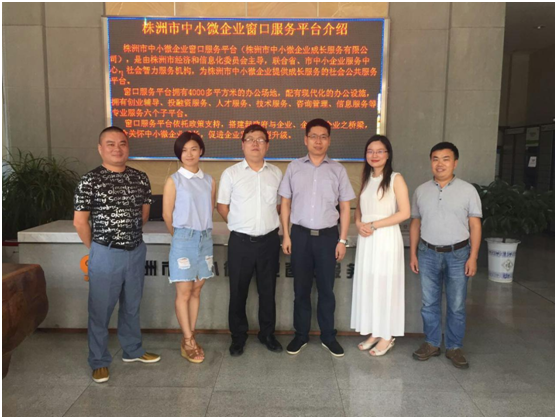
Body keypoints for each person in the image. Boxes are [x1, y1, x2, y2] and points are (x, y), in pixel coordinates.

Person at [73, 126, 160, 384]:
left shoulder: (140, 178)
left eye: (122, 143)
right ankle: (99, 361)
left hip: (136, 251)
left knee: (132, 305)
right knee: (100, 309)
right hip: (105, 253)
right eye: (110, 144)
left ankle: (132, 350)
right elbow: (80, 222)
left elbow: (144, 214)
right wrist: (97, 248)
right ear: (100, 149)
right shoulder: (90, 180)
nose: (117, 148)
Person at [279, 118, 356, 357]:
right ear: (306, 139)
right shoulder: (294, 167)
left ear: (329, 140)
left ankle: (328, 336)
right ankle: (300, 335)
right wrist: (286, 235)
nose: (318, 141)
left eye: (323, 136)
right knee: (301, 289)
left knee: (326, 290)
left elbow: (345, 207)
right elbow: (285, 203)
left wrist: (342, 240)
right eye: (313, 136)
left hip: (327, 238)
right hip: (300, 236)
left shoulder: (338, 170)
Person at [409, 142, 482, 369]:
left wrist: (473, 257)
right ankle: (432, 343)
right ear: (431, 162)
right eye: (435, 159)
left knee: (457, 304)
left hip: (458, 254)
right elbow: (415, 224)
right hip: (427, 253)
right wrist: (413, 254)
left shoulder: (468, 190)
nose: (440, 164)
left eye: (446, 159)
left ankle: (454, 346)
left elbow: (475, 226)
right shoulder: (421, 190)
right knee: (429, 303)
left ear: (455, 163)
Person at [217, 124, 283, 356]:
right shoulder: (231, 173)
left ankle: (267, 334)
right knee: (238, 292)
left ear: (267, 145)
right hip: (240, 243)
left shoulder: (276, 173)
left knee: (268, 291)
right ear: (242, 144)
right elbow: (222, 206)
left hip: (269, 242)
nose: (255, 143)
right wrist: (238, 223)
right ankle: (238, 337)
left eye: (260, 139)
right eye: (250, 139)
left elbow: (279, 206)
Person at [351, 135, 410, 356]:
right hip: (367, 240)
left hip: (386, 239)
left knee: (386, 285)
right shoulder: (366, 178)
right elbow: (359, 209)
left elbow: (405, 213)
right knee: (371, 284)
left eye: (379, 151)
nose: (374, 155)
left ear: (388, 154)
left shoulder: (396, 178)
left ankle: (387, 335)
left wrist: (374, 225)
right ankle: (375, 331)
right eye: (370, 151)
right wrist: (359, 224)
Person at [162, 132, 216, 363]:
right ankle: (188, 341)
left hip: (205, 239)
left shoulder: (209, 180)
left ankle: (190, 335)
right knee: (184, 292)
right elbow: (167, 215)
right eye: (184, 150)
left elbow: (209, 209)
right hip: (184, 238)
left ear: (201, 150)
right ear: (179, 154)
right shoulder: (174, 180)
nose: (189, 154)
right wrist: (182, 238)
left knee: (196, 290)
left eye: (193, 148)